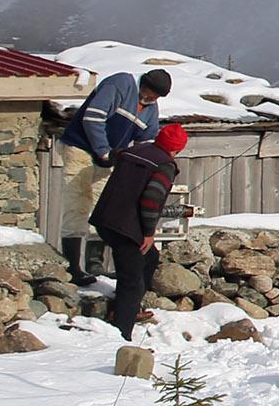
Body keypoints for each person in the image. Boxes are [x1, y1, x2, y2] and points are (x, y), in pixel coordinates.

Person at [57, 66, 172, 282]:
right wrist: (104, 150)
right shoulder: (120, 85)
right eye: (152, 94)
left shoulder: (150, 108)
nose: (152, 99)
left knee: (104, 207)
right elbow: (93, 118)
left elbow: (145, 141)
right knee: (78, 203)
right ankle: (72, 266)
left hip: (109, 157)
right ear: (145, 86)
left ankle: (95, 263)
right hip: (81, 148)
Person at [92, 123, 187, 337]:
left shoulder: (134, 151)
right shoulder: (164, 164)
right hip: (127, 228)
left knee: (149, 257)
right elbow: (151, 200)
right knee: (131, 282)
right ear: (177, 149)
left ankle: (129, 308)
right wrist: (148, 232)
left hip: (105, 219)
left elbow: (115, 155)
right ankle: (120, 335)